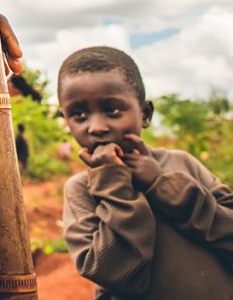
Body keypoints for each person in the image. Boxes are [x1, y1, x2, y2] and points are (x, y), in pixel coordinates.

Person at [59, 46, 233, 299]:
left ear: (145, 114)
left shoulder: (181, 163)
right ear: (66, 121)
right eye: (79, 115)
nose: (96, 127)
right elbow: (114, 273)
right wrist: (113, 185)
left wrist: (162, 185)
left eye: (112, 110)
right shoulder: (80, 190)